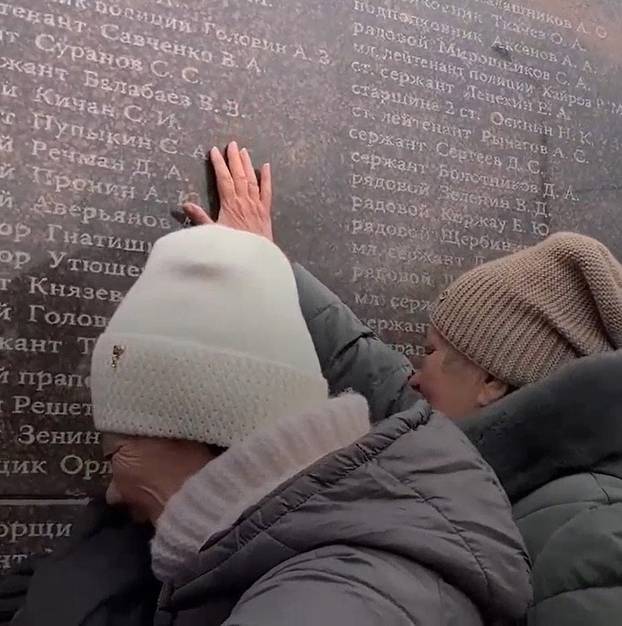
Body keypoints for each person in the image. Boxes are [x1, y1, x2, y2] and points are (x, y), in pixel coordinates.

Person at [5, 143, 531, 626]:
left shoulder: (333, 600)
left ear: (199, 427)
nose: (112, 494)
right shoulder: (356, 548)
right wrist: (263, 272)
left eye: (117, 448)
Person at [185, 144, 622, 625]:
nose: (414, 374)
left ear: (492, 382)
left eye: (432, 352)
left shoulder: (587, 532)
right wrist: (266, 266)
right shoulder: (503, 463)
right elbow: (379, 378)